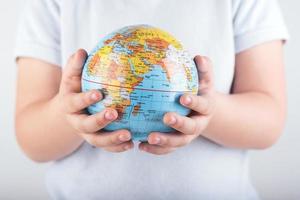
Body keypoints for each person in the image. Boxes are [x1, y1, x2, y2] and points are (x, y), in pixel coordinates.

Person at [14, 0, 289, 199]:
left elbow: (268, 122)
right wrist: (69, 113)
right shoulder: (50, 5)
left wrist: (208, 110)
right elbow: (32, 140)